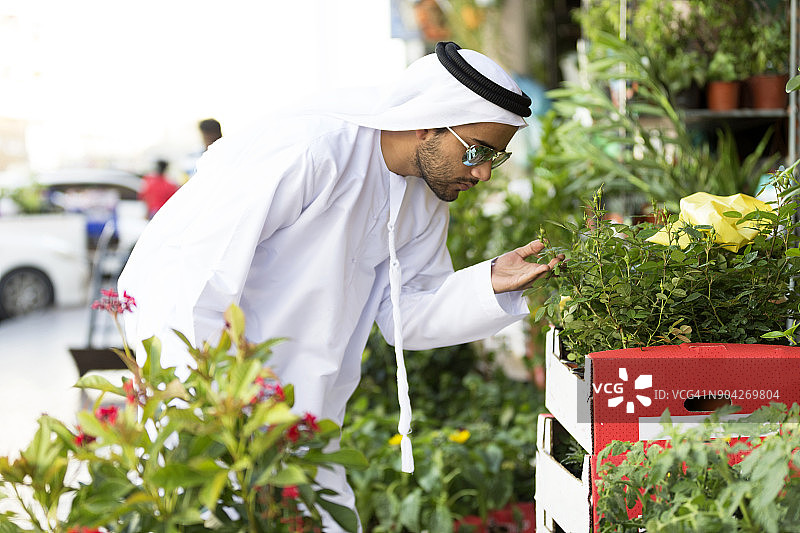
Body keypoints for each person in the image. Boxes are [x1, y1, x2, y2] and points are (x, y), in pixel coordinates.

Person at [118, 41, 564, 530]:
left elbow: (406, 316)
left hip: (309, 426)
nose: (480, 172)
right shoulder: (310, 150)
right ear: (427, 121)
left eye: (493, 159)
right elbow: (188, 282)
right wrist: (215, 415)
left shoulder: (424, 198)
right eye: (477, 151)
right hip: (218, 423)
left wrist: (491, 283)